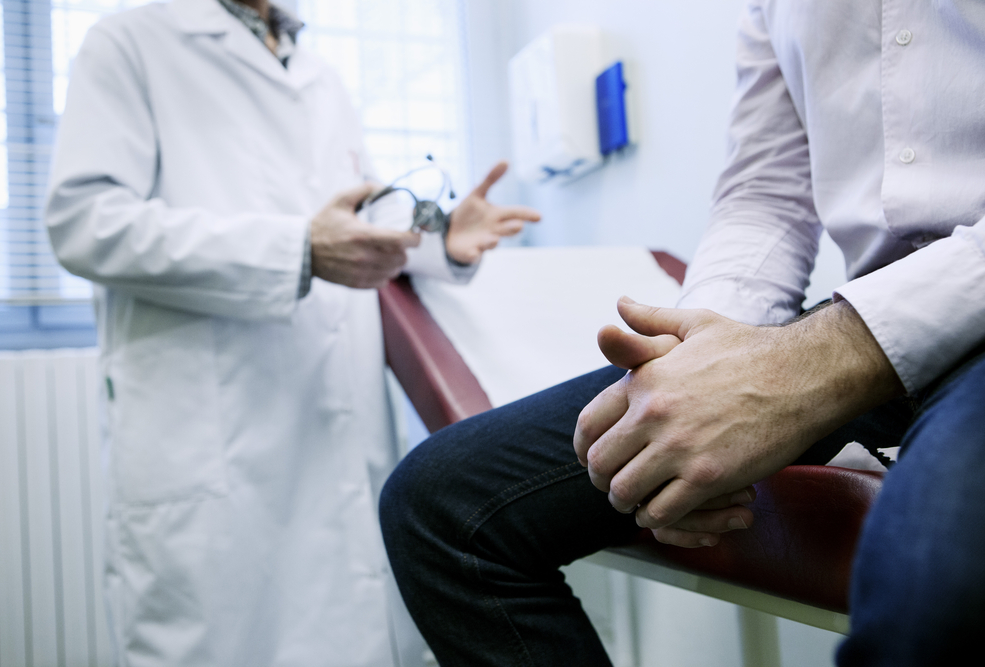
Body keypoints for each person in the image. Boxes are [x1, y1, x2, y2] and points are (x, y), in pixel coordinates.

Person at [379, 1, 985, 665]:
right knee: (443, 507)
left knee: (938, 583)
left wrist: (834, 352)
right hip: (859, 313)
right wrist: (693, 367)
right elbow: (765, 194)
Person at [43, 0, 540, 665]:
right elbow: (85, 221)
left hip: (336, 425)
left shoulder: (322, 76)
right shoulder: (130, 43)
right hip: (213, 442)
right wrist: (295, 249)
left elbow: (352, 237)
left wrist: (437, 241)